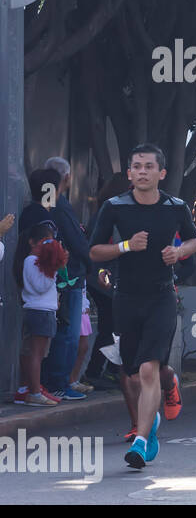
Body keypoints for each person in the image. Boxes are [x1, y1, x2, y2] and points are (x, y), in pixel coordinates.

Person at [89, 144, 196, 468]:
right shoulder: (114, 207)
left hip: (162, 296)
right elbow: (94, 251)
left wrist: (179, 253)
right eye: (136, 166)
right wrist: (125, 246)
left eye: (148, 166)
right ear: (129, 173)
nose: (141, 171)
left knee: (148, 368)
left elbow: (193, 240)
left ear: (161, 173)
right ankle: (170, 384)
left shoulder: (175, 206)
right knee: (134, 374)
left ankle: (142, 439)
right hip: (125, 298)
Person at [17, 163, 92, 402]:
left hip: (46, 298)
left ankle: (35, 387)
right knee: (45, 346)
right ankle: (38, 388)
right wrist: (60, 266)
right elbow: (40, 276)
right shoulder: (45, 214)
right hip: (44, 298)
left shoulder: (44, 211)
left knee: (42, 346)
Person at [14, 224, 66, 406]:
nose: (48, 246)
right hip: (39, 311)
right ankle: (34, 392)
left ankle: (27, 388)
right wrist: (53, 267)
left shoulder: (37, 261)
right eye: (44, 242)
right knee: (36, 353)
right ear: (32, 242)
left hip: (42, 310)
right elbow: (40, 286)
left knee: (32, 352)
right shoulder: (31, 260)